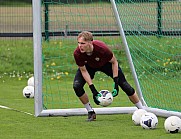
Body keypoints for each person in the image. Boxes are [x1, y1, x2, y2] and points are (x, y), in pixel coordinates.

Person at [73, 31, 144, 121]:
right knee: (77, 86)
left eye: (82, 43)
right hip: (89, 67)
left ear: (90, 42)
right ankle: (90, 111)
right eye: (78, 43)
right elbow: (83, 71)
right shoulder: (77, 53)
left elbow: (114, 62)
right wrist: (93, 90)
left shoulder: (102, 49)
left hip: (106, 64)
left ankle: (142, 110)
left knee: (125, 85)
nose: (80, 46)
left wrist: (116, 82)